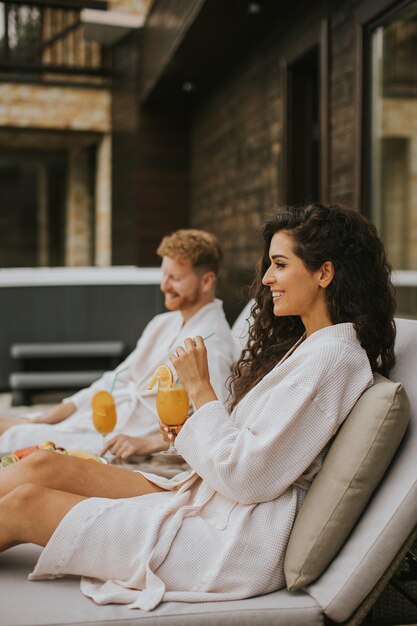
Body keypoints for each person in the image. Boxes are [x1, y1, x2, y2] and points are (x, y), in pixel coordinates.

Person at [0, 204, 396, 611]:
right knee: (43, 466)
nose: (267, 278)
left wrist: (200, 388)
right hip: (206, 498)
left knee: (25, 503)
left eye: (279, 264)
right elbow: (248, 448)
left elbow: (248, 477)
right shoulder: (310, 346)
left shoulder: (333, 359)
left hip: (228, 544)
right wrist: (186, 435)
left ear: (324, 273)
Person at [0, 229, 236, 458]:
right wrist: (53, 414)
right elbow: (118, 377)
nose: (164, 286)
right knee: (9, 425)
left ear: (206, 282)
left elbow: (216, 418)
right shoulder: (163, 323)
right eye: (164, 275)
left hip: (126, 438)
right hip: (104, 418)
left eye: (174, 278)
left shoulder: (211, 344)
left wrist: (149, 443)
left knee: (11, 434)